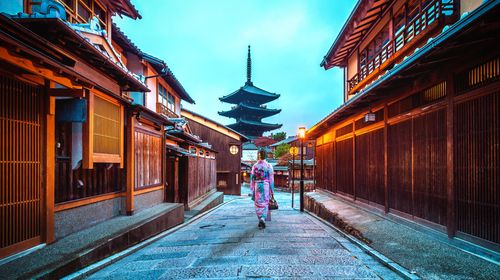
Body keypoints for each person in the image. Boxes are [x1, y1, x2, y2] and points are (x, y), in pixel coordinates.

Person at [250, 149, 274, 229]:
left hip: (257, 185)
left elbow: (252, 178)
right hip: (266, 185)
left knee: (257, 202)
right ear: (265, 155)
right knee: (265, 202)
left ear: (258, 155)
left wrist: (252, 187)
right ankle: (263, 218)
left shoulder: (255, 166)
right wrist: (272, 190)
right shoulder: (268, 165)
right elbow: (271, 179)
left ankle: (260, 218)